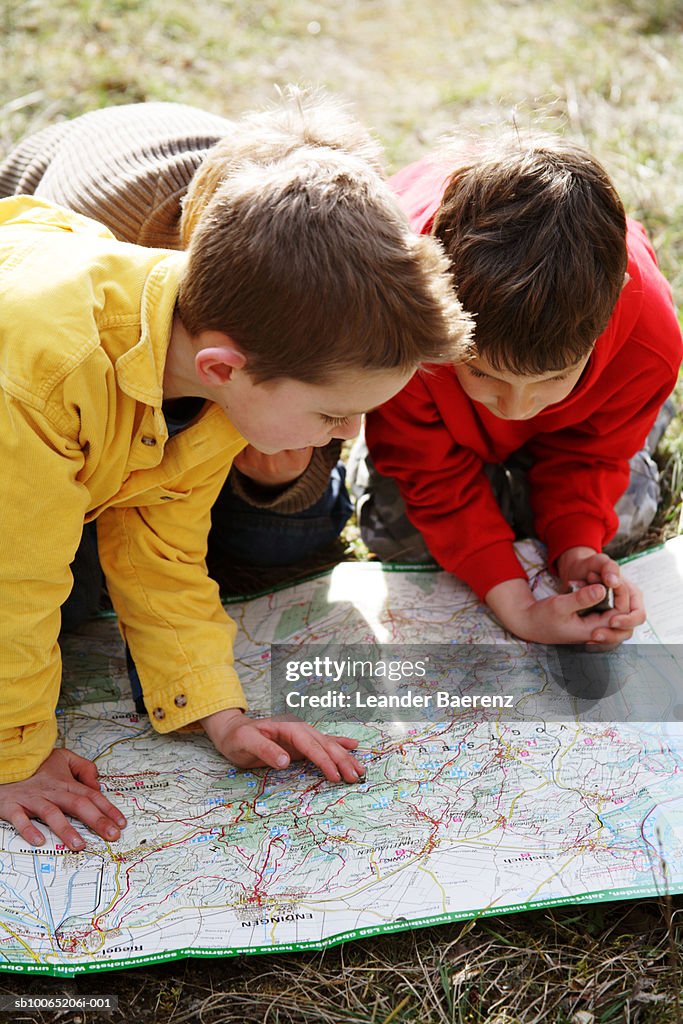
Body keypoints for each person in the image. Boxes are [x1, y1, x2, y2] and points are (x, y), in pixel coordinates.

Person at [0, 142, 472, 851]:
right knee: (54, 600)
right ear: (226, 366)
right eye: (331, 415)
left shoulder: (211, 375)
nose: (351, 434)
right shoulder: (43, 375)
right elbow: (11, 581)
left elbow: (161, 551)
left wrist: (219, 713)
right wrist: (13, 757)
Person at [0, 89, 383, 610]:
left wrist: (286, 470)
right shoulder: (104, 260)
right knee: (73, 583)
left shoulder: (338, 284)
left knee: (279, 538)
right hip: (51, 403)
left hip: (213, 376)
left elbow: (324, 396)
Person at [356, 133, 682, 646]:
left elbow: (594, 456)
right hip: (430, 416)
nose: (517, 406)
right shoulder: (403, 313)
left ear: (614, 301)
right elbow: (426, 468)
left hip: (577, 426)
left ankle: (528, 481)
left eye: (554, 377)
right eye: (483, 372)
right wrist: (516, 603)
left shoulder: (651, 338)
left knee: (621, 515)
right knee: (398, 533)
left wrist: (578, 548)